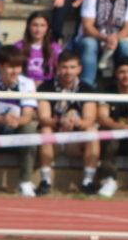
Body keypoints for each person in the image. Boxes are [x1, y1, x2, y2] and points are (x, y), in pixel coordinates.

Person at [0, 45, 40, 197]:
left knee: (30, 129)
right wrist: (2, 119)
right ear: (0, 66)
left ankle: (25, 182)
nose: (15, 71)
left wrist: (17, 121)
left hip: (17, 129)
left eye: (18, 67)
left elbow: (28, 115)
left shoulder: (27, 83)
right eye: (10, 67)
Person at [37, 50, 98, 193]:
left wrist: (78, 123)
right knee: (45, 130)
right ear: (57, 67)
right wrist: (59, 122)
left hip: (76, 141)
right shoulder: (45, 87)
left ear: (79, 69)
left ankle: (88, 181)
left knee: (92, 131)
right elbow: (43, 117)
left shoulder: (87, 89)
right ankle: (45, 181)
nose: (68, 72)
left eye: (72, 67)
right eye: (64, 67)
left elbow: (90, 119)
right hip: (54, 139)